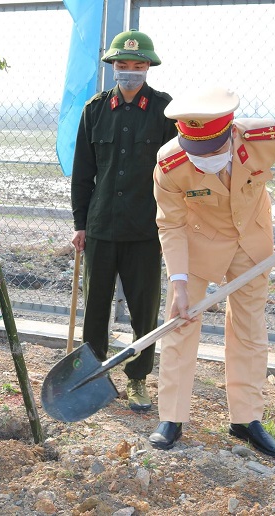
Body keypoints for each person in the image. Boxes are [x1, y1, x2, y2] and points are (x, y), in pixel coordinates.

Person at [148, 87, 275, 456]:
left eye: (211, 150)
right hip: (198, 243)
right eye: (197, 152)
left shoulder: (266, 138)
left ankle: (246, 419)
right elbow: (171, 226)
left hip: (253, 240)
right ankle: (172, 417)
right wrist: (178, 282)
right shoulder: (170, 163)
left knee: (248, 328)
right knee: (181, 323)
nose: (204, 158)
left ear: (230, 132)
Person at [70, 30, 178, 411]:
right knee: (95, 307)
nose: (130, 72)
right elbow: (83, 173)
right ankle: (94, 376)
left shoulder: (166, 112)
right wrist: (80, 223)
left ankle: (137, 379)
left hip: (146, 229)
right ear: (112, 68)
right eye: (123, 65)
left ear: (148, 68)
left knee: (143, 309)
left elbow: (177, 173)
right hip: (101, 226)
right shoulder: (95, 110)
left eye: (137, 66)